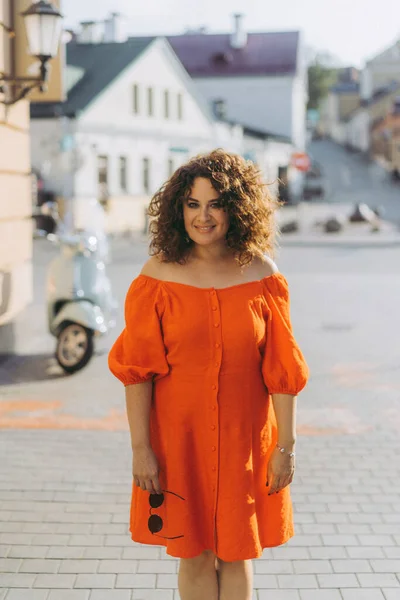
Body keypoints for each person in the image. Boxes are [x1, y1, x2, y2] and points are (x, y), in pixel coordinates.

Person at [108, 149, 309, 600]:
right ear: (178, 209)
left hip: (246, 439)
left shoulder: (262, 274)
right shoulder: (156, 278)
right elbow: (137, 373)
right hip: (179, 440)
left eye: (215, 203)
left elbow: (283, 370)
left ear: (235, 209)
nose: (203, 216)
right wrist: (141, 449)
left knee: (237, 551)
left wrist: (286, 447)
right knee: (194, 552)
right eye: (192, 204)